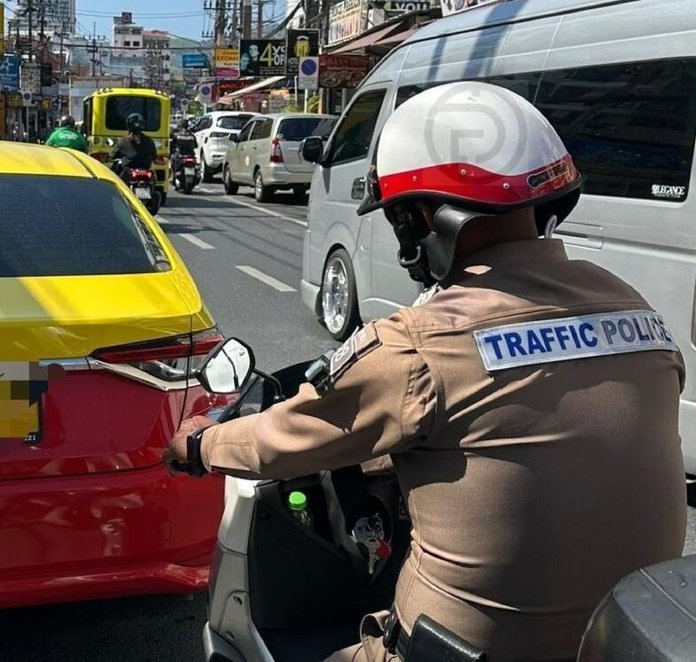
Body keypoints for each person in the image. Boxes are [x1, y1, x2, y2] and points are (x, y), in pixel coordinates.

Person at [165, 81, 686, 661]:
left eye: (398, 218)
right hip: (625, 641)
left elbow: (282, 439)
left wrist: (200, 445)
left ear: (424, 220)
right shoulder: (637, 312)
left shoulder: (421, 344)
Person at [109, 112, 157, 181]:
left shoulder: (123, 141)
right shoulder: (149, 141)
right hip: (145, 173)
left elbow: (112, 156)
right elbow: (154, 157)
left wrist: (108, 158)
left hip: (128, 174)